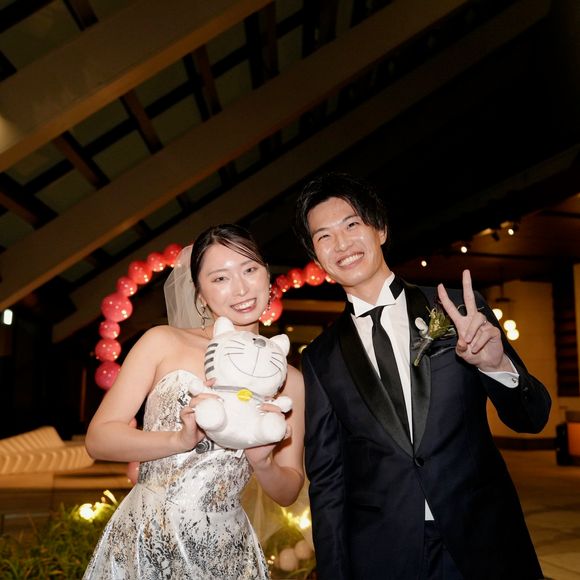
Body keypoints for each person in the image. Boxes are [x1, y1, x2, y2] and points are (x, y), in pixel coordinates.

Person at [294, 173, 551, 580]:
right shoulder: (320, 358)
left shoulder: (455, 310)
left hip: (485, 541)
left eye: (351, 225)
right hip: (386, 555)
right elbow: (327, 482)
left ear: (380, 229)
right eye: (324, 237)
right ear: (316, 256)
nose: (341, 244)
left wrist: (495, 365)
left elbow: (532, 418)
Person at [83, 224, 305, 579]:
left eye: (249, 269)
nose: (241, 288)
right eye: (220, 278)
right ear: (200, 294)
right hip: (148, 537)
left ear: (267, 277)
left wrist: (263, 463)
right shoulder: (163, 342)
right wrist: (178, 440)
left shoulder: (289, 379)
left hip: (226, 551)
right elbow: (99, 439)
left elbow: (289, 490)